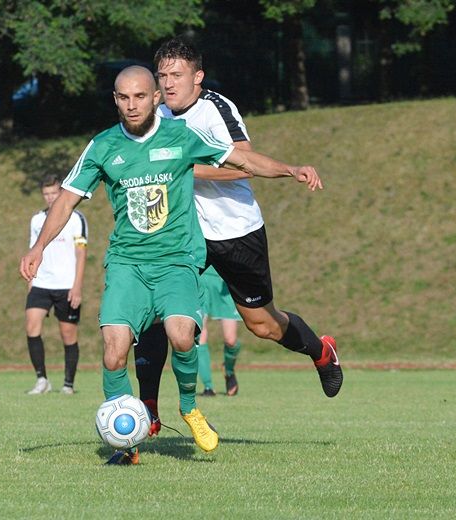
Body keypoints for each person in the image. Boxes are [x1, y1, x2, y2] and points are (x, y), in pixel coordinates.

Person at [20, 65, 323, 465]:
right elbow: (66, 200)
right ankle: (126, 442)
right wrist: (40, 245)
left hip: (176, 260)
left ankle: (189, 408)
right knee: (114, 351)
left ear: (156, 98)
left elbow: (242, 161)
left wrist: (291, 169)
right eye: (123, 97)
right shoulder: (103, 146)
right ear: (115, 99)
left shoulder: (182, 136)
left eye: (140, 96)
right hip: (128, 263)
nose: (132, 105)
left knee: (182, 336)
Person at [134, 38, 342, 434]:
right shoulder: (155, 115)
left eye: (176, 75)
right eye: (162, 75)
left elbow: (242, 165)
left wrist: (184, 169)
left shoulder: (216, 108)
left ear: (198, 77)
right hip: (182, 234)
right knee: (155, 312)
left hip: (234, 231)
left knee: (262, 324)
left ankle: (321, 351)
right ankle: (149, 412)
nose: (168, 83)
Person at [25, 174, 88, 395]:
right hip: (42, 283)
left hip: (66, 285)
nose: (50, 198)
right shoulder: (36, 220)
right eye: (46, 194)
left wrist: (77, 286)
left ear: (61, 192)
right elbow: (33, 250)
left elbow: (81, 254)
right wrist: (31, 281)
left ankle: (68, 384)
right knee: (32, 326)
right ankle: (41, 380)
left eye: (54, 193)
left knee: (68, 334)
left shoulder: (76, 218)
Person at [196, 265, 243, 397]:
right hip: (201, 277)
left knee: (231, 340)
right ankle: (208, 387)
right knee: (200, 334)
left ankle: (228, 370)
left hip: (225, 281)